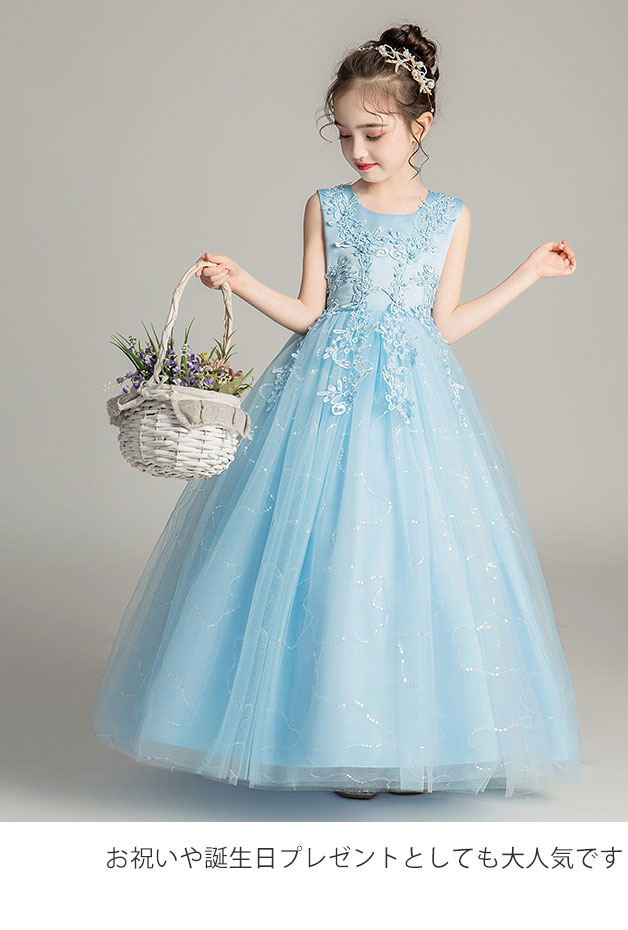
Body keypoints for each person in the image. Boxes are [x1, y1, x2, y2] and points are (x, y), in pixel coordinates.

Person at [92, 22, 581, 802]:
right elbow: (310, 312)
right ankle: (341, 742)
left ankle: (415, 745)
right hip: (323, 396)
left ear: (421, 126)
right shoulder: (326, 206)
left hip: (414, 405)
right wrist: (239, 280)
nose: (357, 150)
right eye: (345, 134)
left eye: (374, 134)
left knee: (412, 558)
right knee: (330, 553)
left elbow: (443, 325)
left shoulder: (451, 215)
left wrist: (527, 274)